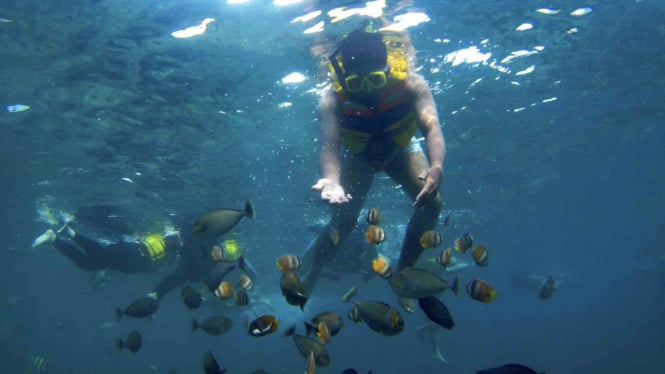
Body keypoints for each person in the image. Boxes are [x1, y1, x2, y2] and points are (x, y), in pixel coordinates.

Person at [301, 27, 445, 295]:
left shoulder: (412, 84)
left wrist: (436, 167)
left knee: (432, 204)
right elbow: (330, 147)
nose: (366, 90)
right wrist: (332, 180)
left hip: (401, 150)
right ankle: (314, 270)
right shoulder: (331, 99)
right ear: (344, 76)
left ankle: (404, 273)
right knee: (342, 222)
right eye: (357, 83)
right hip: (358, 158)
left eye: (376, 79)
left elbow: (432, 127)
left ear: (387, 68)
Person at [32, 224, 182, 274]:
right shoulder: (168, 250)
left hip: (130, 254)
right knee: (91, 261)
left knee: (96, 258)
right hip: (132, 256)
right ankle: (57, 238)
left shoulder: (160, 241)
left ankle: (68, 234)